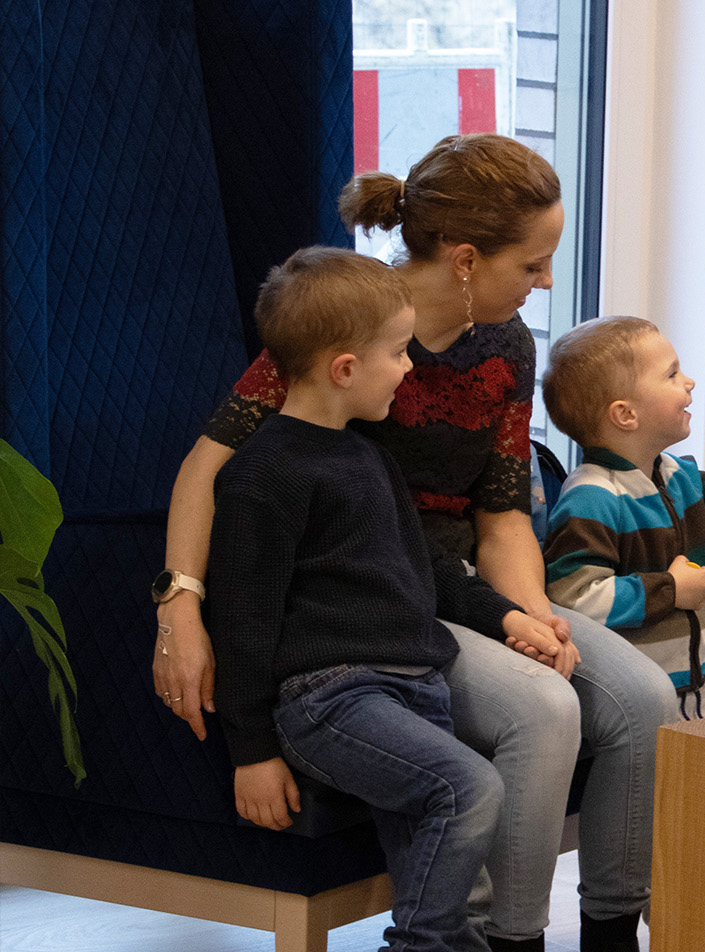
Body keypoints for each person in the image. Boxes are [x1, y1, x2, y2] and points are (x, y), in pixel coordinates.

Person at [153, 134, 677, 952]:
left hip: (464, 582)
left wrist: (534, 618)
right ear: (465, 259)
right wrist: (180, 606)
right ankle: (511, 939)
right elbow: (209, 467)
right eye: (532, 265)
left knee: (644, 700)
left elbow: (503, 514)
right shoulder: (350, 318)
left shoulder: (507, 347)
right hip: (378, 596)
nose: (544, 285)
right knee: (542, 710)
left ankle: (611, 933)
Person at [213, 247, 535, 952]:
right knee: (470, 788)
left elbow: (428, 567)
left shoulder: (370, 458)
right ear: (345, 369)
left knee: (436, 836)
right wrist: (253, 752)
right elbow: (242, 623)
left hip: (417, 688)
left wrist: (506, 615)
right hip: (332, 700)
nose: (411, 368)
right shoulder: (261, 476)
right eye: (398, 352)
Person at [539, 316, 705, 720]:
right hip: (637, 706)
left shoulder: (677, 476)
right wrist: (669, 589)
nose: (688, 382)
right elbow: (577, 599)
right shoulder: (592, 498)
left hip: (699, 690)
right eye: (672, 374)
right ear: (626, 415)